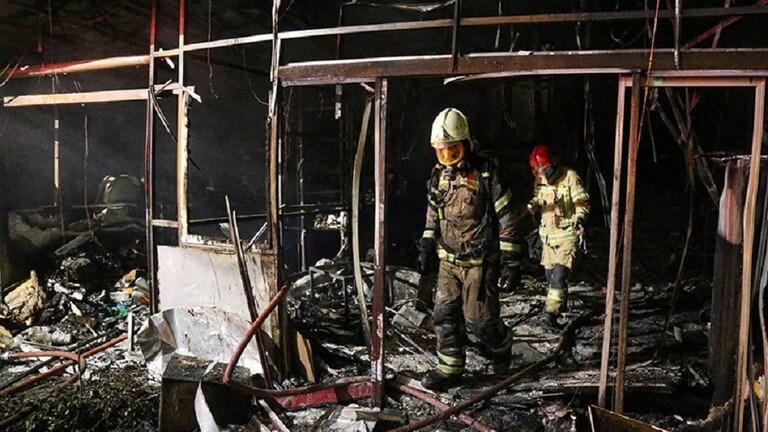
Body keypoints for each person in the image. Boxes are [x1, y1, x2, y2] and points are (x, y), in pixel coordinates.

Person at [416, 108, 523, 391]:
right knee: (444, 314)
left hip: (480, 261)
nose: (448, 158)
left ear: (466, 144)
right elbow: (433, 212)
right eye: (441, 152)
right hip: (448, 261)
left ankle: (501, 346)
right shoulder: (439, 176)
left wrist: (511, 260)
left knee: (479, 321)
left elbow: (507, 216)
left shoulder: (486, 174)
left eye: (453, 151)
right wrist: (426, 242)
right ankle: (449, 368)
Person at [527, 144, 590, 323]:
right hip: (547, 239)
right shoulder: (539, 180)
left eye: (545, 169)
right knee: (550, 277)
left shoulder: (570, 177)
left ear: (554, 163)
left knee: (559, 275)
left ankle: (550, 314)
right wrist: (533, 204)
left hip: (566, 236)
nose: (543, 174)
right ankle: (559, 307)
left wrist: (580, 218)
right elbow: (539, 197)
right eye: (538, 171)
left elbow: (582, 202)